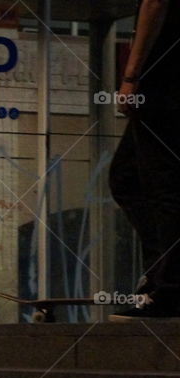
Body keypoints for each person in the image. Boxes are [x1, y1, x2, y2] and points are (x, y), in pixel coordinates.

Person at [108, 0, 180, 320]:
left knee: (164, 183)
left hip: (163, 78)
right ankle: (157, 276)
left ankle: (171, 288)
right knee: (128, 176)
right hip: (165, 77)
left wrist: (131, 75)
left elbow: (155, 2)